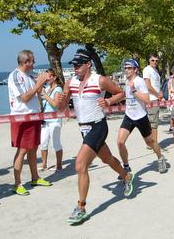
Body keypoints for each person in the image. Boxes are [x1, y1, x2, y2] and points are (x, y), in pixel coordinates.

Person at [57, 49, 134, 224]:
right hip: (83, 128)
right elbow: (61, 109)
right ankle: (127, 176)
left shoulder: (99, 80)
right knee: (107, 158)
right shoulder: (70, 83)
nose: (75, 68)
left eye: (78, 65)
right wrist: (61, 100)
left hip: (98, 126)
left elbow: (121, 93)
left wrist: (108, 101)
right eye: (73, 65)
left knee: (80, 165)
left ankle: (81, 207)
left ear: (88, 65)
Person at [8, 50, 52, 196]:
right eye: (32, 61)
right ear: (25, 62)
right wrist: (39, 83)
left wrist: (44, 82)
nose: (34, 63)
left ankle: (35, 178)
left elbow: (38, 92)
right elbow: (25, 97)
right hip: (21, 118)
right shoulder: (14, 76)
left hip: (34, 116)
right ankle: (17, 184)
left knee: (33, 148)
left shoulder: (31, 75)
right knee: (22, 151)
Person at [117, 59, 168, 176]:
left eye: (129, 68)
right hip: (129, 116)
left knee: (150, 142)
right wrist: (110, 101)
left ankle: (160, 158)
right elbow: (125, 96)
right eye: (125, 68)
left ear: (135, 69)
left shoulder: (139, 82)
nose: (126, 70)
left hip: (141, 117)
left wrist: (134, 90)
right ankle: (126, 167)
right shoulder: (127, 81)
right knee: (120, 142)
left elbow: (147, 99)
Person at [39, 68, 63, 171]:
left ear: (54, 77)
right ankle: (44, 164)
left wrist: (45, 96)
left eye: (48, 77)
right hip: (45, 120)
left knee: (55, 142)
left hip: (55, 120)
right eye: (46, 77)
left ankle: (59, 165)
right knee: (43, 142)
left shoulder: (58, 89)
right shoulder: (47, 88)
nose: (47, 79)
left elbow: (56, 104)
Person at [142, 53, 164, 151]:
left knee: (154, 122)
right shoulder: (147, 70)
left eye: (156, 60)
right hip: (151, 98)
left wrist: (160, 93)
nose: (155, 62)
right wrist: (157, 94)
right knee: (153, 123)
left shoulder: (155, 70)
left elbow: (155, 85)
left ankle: (152, 143)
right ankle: (154, 145)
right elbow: (148, 85)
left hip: (155, 98)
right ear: (149, 61)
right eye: (153, 60)